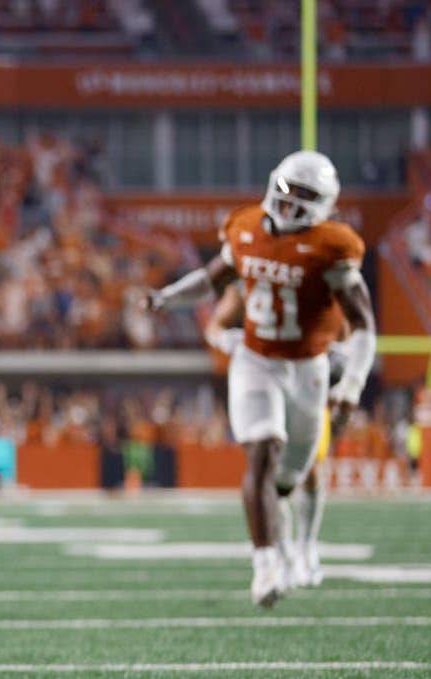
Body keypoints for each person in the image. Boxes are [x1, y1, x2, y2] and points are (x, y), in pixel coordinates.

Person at [147, 150, 375, 608]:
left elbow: (365, 325)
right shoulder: (246, 226)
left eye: (303, 198)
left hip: (308, 367)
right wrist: (167, 298)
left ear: (323, 205)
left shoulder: (333, 246)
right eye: (287, 191)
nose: (289, 205)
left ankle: (296, 544)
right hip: (255, 359)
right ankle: (266, 562)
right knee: (262, 453)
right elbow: (213, 278)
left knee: (290, 478)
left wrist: (350, 385)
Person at [204, 282, 351, 589]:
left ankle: (307, 546)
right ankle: (282, 555)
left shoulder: (313, 272)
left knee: (310, 470)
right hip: (263, 380)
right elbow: (215, 325)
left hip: (305, 379)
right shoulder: (249, 276)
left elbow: (344, 327)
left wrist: (342, 364)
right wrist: (226, 340)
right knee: (269, 471)